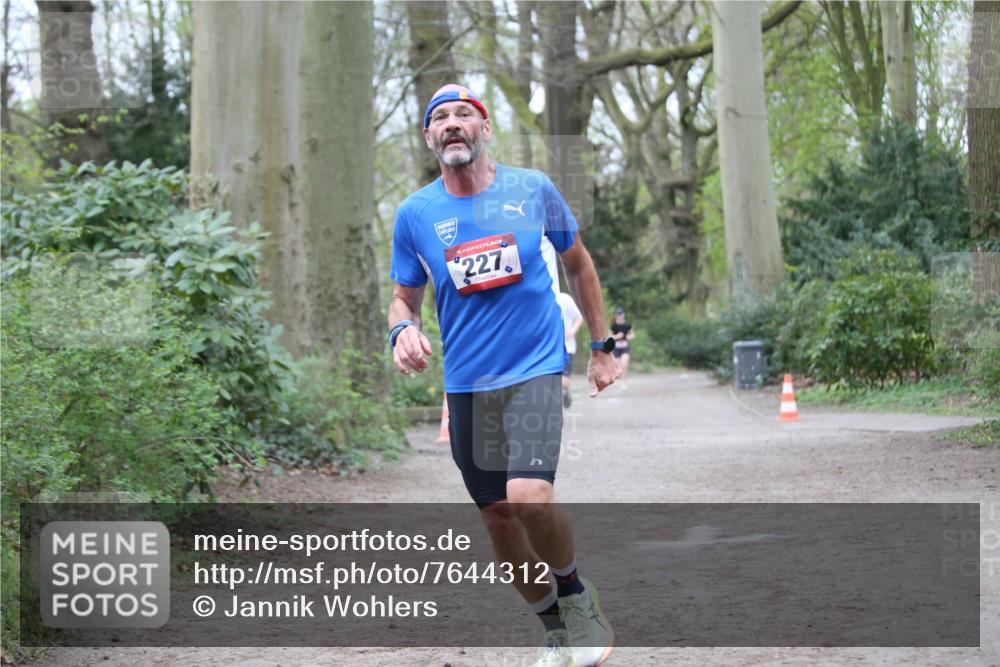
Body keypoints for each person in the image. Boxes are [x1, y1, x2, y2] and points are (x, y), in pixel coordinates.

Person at [387, 84, 617, 667]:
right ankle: (555, 631)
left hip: (535, 368)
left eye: (464, 114)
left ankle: (577, 601)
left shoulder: (532, 189)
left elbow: (578, 263)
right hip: (466, 382)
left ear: (484, 128)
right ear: (429, 138)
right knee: (499, 518)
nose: (452, 123)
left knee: (529, 496)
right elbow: (402, 298)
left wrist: (601, 345)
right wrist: (402, 331)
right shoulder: (416, 215)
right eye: (440, 118)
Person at [556, 291, 584, 409]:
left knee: (564, 382)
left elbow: (579, 316)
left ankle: (565, 393)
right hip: (546, 347)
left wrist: (572, 331)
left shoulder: (563, 298)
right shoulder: (536, 295)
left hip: (566, 347)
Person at [610, 307, 635, 381]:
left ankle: (624, 380)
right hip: (616, 347)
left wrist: (628, 337)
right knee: (618, 366)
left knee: (624, 363)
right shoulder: (613, 326)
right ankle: (620, 379)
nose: (619, 316)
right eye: (618, 314)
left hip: (625, 347)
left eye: (621, 314)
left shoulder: (627, 325)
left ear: (623, 315)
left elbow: (632, 334)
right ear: (615, 316)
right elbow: (609, 337)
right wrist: (617, 336)